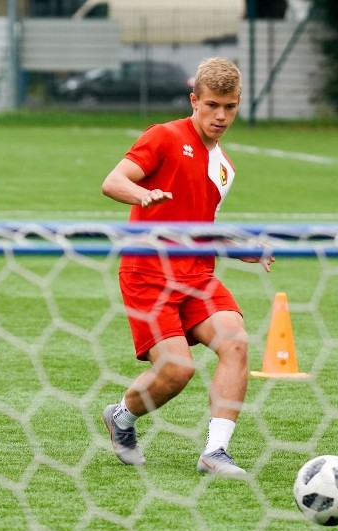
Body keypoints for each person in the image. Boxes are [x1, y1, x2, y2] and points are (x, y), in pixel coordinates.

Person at [100, 57, 273, 476]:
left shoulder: (225, 168)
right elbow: (113, 181)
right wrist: (140, 195)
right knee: (177, 370)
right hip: (147, 274)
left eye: (229, 107)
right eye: (212, 105)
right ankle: (121, 417)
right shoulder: (163, 136)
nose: (221, 116)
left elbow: (201, 228)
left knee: (235, 342)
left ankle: (215, 452)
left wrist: (238, 249)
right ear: (194, 100)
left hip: (198, 276)